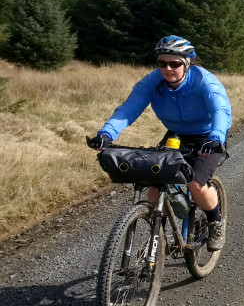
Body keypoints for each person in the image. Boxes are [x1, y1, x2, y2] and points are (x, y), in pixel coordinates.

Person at [88, 35, 231, 251]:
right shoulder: (153, 82)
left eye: (175, 63)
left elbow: (220, 110)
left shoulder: (204, 81)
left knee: (195, 184)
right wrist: (107, 134)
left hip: (207, 137)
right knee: (154, 182)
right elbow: (129, 109)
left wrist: (216, 137)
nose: (168, 68)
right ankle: (157, 236)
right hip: (176, 134)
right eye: (163, 63)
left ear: (187, 63)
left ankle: (215, 222)